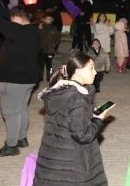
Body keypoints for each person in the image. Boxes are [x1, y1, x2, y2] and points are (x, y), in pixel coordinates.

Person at [0, 0, 41, 157]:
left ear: (17, 21)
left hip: (13, 79)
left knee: (11, 112)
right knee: (21, 108)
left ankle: (11, 146)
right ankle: (21, 138)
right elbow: (9, 15)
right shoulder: (33, 30)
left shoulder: (16, 30)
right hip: (29, 79)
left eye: (13, 20)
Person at [34, 54, 111, 185]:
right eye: (91, 68)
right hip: (72, 165)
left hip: (53, 161)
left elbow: (67, 121)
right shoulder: (78, 98)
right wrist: (98, 120)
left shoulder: (61, 92)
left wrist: (87, 115)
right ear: (78, 71)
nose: (95, 72)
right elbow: (82, 135)